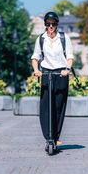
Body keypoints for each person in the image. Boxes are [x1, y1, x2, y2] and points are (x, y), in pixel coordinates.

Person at [31, 11, 74, 152]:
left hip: (60, 73)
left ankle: (55, 137)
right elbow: (35, 57)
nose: (50, 26)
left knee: (58, 106)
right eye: (48, 23)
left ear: (57, 24)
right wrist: (36, 70)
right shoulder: (41, 39)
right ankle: (48, 137)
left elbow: (70, 57)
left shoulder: (64, 38)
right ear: (45, 24)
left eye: (53, 23)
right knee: (45, 107)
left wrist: (67, 69)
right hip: (46, 72)